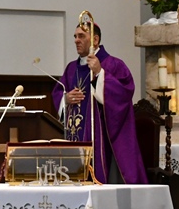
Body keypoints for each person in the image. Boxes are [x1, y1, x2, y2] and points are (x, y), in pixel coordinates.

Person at [50, 23, 147, 184]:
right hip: (75, 140)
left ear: (95, 40)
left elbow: (124, 95)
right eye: (75, 36)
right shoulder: (71, 69)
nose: (76, 40)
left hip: (104, 141)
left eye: (81, 36)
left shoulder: (114, 65)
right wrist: (65, 99)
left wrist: (100, 73)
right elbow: (58, 92)